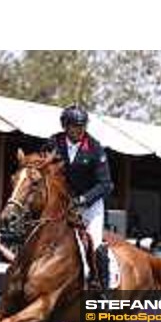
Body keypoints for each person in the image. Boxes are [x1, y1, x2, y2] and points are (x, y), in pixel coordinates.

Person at [41, 104, 114, 289]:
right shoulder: (53, 143)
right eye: (75, 126)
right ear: (65, 126)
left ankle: (102, 286)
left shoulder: (95, 148)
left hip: (90, 204)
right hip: (62, 203)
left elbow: (106, 184)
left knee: (95, 243)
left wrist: (83, 200)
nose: (79, 130)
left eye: (82, 126)